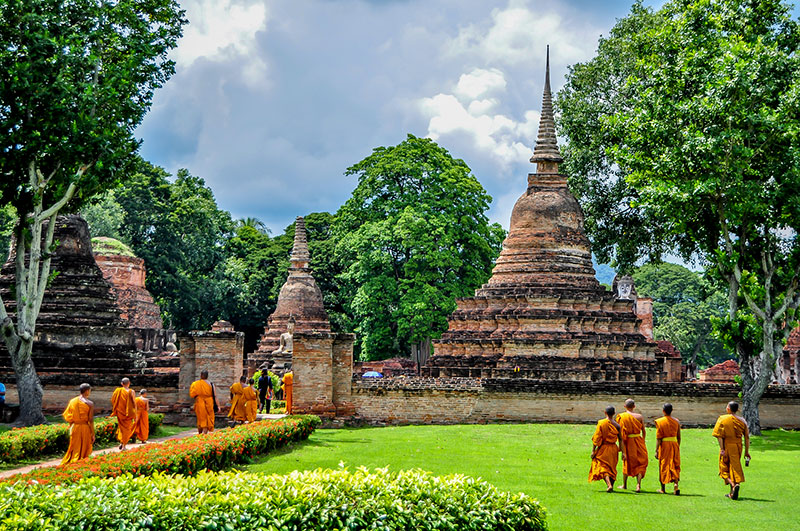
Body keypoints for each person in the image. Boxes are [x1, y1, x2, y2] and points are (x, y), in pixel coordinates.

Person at [712, 401, 750, 500]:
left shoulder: (722, 419)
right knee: (734, 467)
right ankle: (732, 493)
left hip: (727, 445)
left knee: (723, 468)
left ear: (728, 409)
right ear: (737, 410)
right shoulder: (743, 421)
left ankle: (733, 485)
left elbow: (719, 436)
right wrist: (747, 451)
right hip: (738, 446)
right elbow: (746, 438)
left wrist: (722, 448)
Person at [589, 405, 625, 492]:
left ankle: (609, 485)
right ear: (614, 414)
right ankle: (611, 485)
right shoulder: (617, 425)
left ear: (605, 413)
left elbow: (596, 437)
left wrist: (593, 450)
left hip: (603, 448)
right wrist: (623, 452)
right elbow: (621, 439)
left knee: (602, 466)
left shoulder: (601, 423)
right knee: (611, 468)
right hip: (613, 448)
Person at [616, 398, 648, 492]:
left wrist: (621, 445)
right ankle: (638, 485)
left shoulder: (621, 417)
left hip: (628, 441)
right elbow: (644, 431)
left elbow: (620, 433)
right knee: (640, 462)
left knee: (627, 462)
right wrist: (643, 440)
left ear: (625, 406)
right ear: (634, 406)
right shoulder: (639, 416)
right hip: (638, 440)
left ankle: (625, 485)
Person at [61, 383, 95, 465]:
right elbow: (90, 420)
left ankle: (73, 459)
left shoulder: (73, 401)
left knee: (74, 446)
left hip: (75, 427)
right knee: (85, 446)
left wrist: (73, 422)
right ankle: (81, 461)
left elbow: (67, 415)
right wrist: (92, 434)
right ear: (87, 391)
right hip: (85, 427)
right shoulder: (89, 403)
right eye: (89, 390)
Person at [655, 403, 681, 495]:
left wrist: (656, 450)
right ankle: (676, 484)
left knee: (663, 464)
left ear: (663, 411)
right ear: (672, 411)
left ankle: (663, 488)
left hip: (665, 445)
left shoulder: (660, 421)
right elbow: (679, 437)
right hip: (674, 444)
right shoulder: (676, 421)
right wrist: (677, 447)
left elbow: (659, 438)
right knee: (674, 463)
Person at [110, 377, 137, 451]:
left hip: (120, 412)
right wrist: (136, 415)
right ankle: (124, 446)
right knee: (127, 429)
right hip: (128, 414)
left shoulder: (117, 390)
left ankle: (122, 442)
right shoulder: (132, 391)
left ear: (122, 383)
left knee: (122, 428)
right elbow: (134, 403)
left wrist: (117, 408)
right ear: (129, 383)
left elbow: (113, 400)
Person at [189, 369, 218, 434]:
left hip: (200, 402)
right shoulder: (211, 384)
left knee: (201, 418)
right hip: (209, 402)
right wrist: (218, 406)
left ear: (201, 375)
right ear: (207, 376)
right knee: (208, 418)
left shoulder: (195, 384)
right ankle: (205, 433)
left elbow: (192, 394)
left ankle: (200, 433)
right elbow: (215, 396)